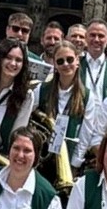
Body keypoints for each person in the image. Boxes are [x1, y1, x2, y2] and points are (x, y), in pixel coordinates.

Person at [32, 41, 87, 183]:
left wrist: (74, 165)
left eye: (70, 59)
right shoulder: (42, 90)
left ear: (77, 61)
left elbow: (86, 134)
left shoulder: (88, 96)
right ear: (55, 65)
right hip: (42, 159)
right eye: (60, 61)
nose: (65, 64)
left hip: (69, 161)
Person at [80, 20, 107, 116]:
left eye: (101, 36)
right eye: (92, 35)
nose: (96, 39)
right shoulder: (75, 65)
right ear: (86, 37)